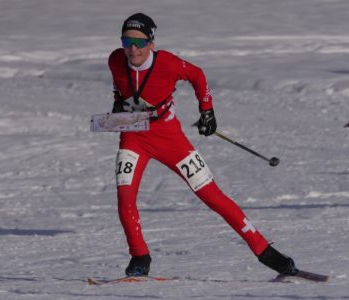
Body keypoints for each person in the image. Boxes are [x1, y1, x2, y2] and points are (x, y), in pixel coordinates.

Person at [108, 12, 298, 277]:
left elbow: (198, 76)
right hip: (133, 135)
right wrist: (118, 103)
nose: (132, 49)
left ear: (151, 43)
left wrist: (207, 111)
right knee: (125, 197)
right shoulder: (115, 60)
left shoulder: (169, 63)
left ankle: (264, 250)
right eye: (127, 41)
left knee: (211, 195)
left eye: (139, 43)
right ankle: (139, 256)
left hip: (169, 138)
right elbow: (120, 88)